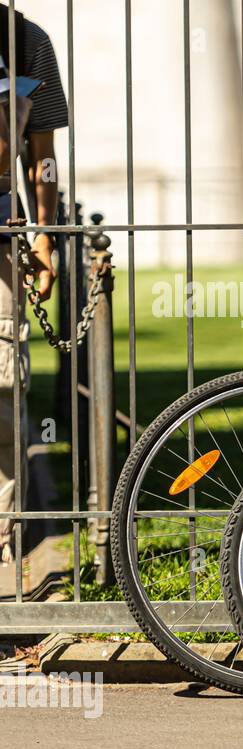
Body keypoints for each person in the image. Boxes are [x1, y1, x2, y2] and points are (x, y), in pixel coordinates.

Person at [0, 5, 66, 565]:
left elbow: (41, 158)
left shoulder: (24, 39)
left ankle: (1, 543)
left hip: (2, 240)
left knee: (2, 394)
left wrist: (43, 237)